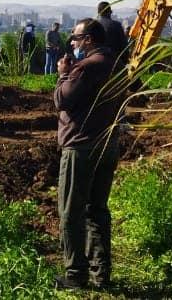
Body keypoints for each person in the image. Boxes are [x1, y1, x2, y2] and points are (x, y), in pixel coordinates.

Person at [52, 18, 126, 290]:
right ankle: (101, 273)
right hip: (107, 146)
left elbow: (62, 100)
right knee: (97, 209)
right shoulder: (117, 65)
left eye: (76, 37)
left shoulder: (84, 68)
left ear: (90, 40)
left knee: (71, 211)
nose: (72, 42)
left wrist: (62, 73)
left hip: (80, 147)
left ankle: (76, 274)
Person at [95, 1, 127, 67]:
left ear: (98, 12)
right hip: (114, 63)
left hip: (96, 62)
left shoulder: (93, 25)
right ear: (111, 11)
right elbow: (124, 46)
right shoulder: (117, 25)